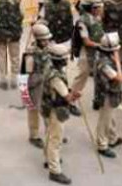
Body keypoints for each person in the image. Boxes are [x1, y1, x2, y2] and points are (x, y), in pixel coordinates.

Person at [41, 43, 73, 184]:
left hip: (48, 105)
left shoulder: (49, 67)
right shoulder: (56, 77)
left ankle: (48, 159)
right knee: (56, 139)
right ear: (60, 60)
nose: (67, 60)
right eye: (65, 58)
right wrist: (76, 93)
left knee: (49, 134)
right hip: (57, 108)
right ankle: (55, 170)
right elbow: (67, 97)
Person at [93, 32, 122, 158]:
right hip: (105, 93)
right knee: (104, 120)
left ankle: (112, 138)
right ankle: (102, 145)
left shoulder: (105, 56)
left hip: (111, 92)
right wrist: (118, 62)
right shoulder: (105, 63)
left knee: (110, 116)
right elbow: (118, 77)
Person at [22, 22, 53, 148]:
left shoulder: (47, 49)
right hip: (35, 86)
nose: (46, 42)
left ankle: (51, 133)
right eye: (44, 40)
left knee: (49, 111)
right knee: (34, 110)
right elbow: (28, 75)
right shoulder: (31, 55)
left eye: (47, 39)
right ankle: (34, 135)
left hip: (47, 84)